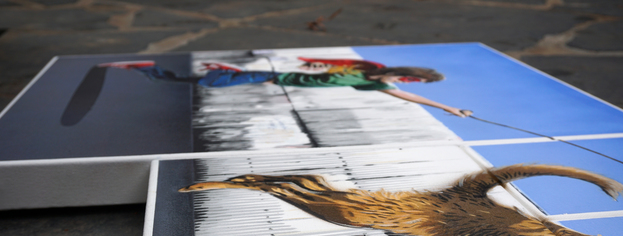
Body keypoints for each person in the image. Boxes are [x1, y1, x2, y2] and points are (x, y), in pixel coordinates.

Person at [98, 58, 472, 117]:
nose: (411, 84)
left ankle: (150, 72)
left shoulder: (372, 84)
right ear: (412, 73)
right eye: (416, 78)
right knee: (210, 84)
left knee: (208, 84)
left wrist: (449, 109)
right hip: (275, 72)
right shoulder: (368, 70)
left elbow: (408, 97)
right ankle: (148, 70)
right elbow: (318, 63)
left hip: (272, 77)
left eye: (416, 83)